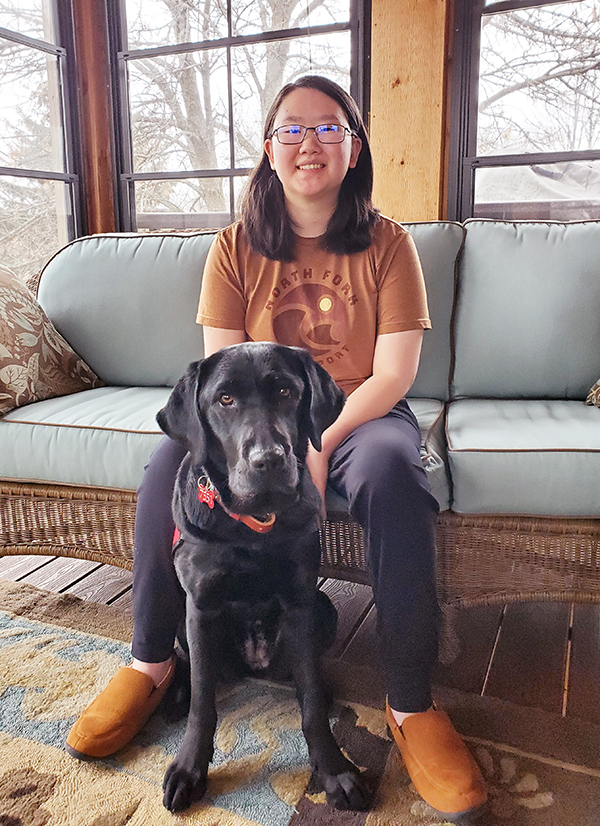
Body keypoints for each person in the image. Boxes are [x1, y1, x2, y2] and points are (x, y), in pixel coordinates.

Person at [66, 75, 487, 820]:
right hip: (255, 426)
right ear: (268, 150)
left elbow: (393, 373)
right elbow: (218, 377)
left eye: (330, 128)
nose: (310, 142)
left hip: (355, 417)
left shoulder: (390, 245)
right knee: (168, 459)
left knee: (395, 472)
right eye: (292, 129)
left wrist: (316, 442)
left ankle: (411, 705)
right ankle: (151, 662)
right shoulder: (234, 247)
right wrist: (248, 448)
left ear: (355, 150)